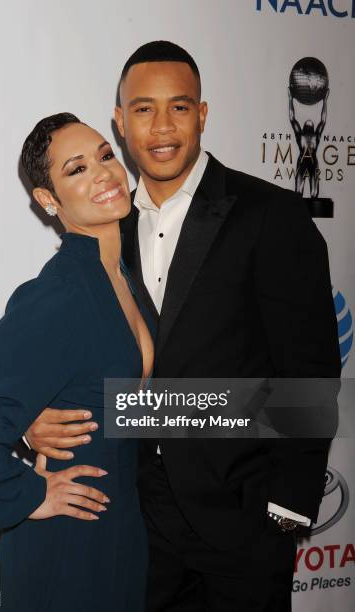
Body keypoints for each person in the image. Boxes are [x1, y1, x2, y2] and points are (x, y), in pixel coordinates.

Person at [24, 42, 341, 611]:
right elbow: (84, 361)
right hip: (134, 516)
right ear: (120, 122)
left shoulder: (268, 215)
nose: (162, 127)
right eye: (143, 109)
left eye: (180, 107)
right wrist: (34, 420)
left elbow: (311, 368)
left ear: (203, 114)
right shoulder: (103, 230)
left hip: (244, 517)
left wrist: (286, 505)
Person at [0, 112, 155, 612]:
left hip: (122, 525)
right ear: (48, 200)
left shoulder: (124, 278)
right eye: (76, 169)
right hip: (71, 538)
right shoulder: (62, 292)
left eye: (105, 155)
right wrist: (25, 495)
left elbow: (133, 408)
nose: (103, 173)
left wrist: (296, 412)